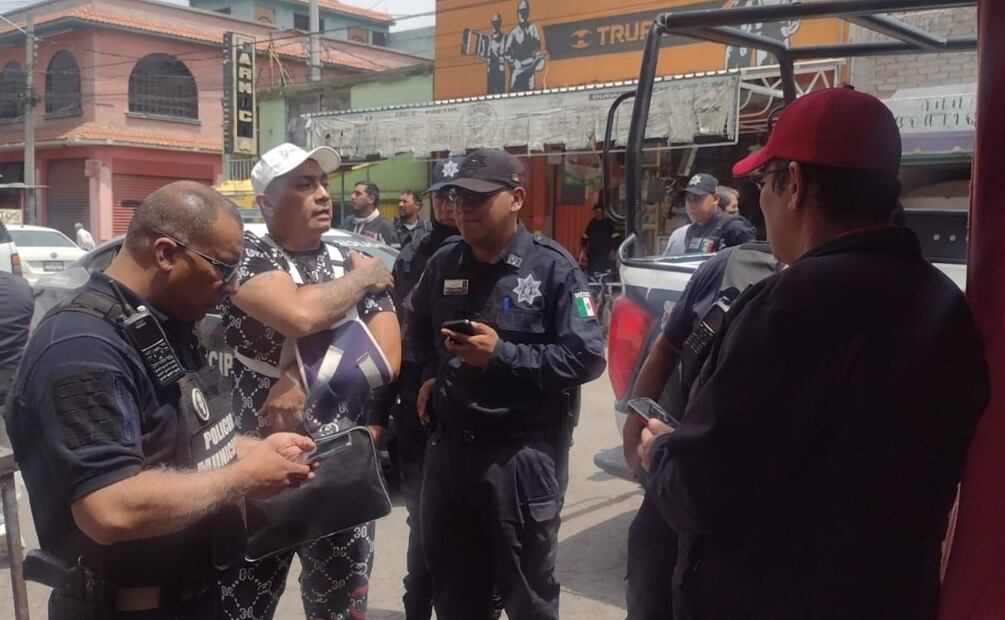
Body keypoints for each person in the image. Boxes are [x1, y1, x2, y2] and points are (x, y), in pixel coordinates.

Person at [640, 87, 989, 618]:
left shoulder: (787, 308)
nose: (761, 200)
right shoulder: (948, 305)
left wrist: (659, 452)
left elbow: (698, 491)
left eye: (763, 182)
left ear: (795, 183)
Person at [5, 181, 317, 619]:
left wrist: (254, 451)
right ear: (166, 253)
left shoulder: (160, 323)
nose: (232, 287)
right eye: (223, 268)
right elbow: (109, 508)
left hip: (196, 596)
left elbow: (173, 438)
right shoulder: (81, 347)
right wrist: (244, 477)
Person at [408, 149, 606, 619]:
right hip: (450, 455)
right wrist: (431, 374)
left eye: (477, 197)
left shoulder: (555, 269)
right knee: (455, 595)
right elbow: (415, 321)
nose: (463, 208)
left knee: (528, 598)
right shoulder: (444, 262)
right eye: (456, 197)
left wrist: (502, 356)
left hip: (520, 458)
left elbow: (587, 356)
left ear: (516, 198)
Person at [217, 142, 400, 619]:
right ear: (266, 203)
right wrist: (363, 282)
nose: (321, 194)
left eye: (322, 183)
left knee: (339, 608)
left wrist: (303, 377)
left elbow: (386, 355)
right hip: (255, 463)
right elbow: (297, 313)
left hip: (338, 468)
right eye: (303, 184)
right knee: (241, 606)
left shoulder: (349, 255)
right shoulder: (246, 256)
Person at [622, 242, 779, 620]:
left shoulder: (846, 295)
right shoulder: (731, 265)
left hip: (750, 519)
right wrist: (634, 433)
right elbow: (668, 347)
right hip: (673, 483)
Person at [367, 157, 462, 620]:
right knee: (423, 527)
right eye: (442, 194)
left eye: (458, 195)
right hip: (420, 414)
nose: (449, 204)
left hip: (480, 416)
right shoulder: (413, 254)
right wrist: (378, 414)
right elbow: (397, 340)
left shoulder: (500, 252)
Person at [663, 173, 755, 256]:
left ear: (715, 199)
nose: (691, 205)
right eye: (688, 199)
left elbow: (751, 264)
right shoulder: (692, 231)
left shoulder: (734, 228)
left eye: (697, 199)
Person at [505, 0, 545, 92]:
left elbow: (537, 47)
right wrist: (514, 61)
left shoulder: (532, 28)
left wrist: (537, 59)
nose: (522, 15)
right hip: (518, 70)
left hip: (530, 70)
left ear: (528, 13)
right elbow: (506, 53)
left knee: (529, 95)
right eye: (520, 12)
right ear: (517, 13)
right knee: (515, 95)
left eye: (525, 12)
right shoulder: (513, 33)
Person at [344, 181, 399, 247]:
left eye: (358, 194)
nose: (352, 197)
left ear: (371, 199)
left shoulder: (385, 225)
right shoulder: (348, 221)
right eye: (353, 193)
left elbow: (394, 255)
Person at [579, 202, 620, 276]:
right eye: (595, 211)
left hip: (606, 253)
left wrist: (613, 250)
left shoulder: (609, 224)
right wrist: (583, 248)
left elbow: (616, 237)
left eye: (599, 211)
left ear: (603, 212)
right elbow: (585, 237)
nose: (597, 213)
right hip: (594, 253)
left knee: (606, 273)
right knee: (593, 272)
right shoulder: (591, 224)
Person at [485, 13, 506, 95]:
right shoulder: (489, 39)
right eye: (493, 22)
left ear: (499, 23)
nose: (494, 25)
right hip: (491, 72)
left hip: (500, 72)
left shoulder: (504, 37)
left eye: (496, 22)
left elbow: (508, 55)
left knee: (500, 95)